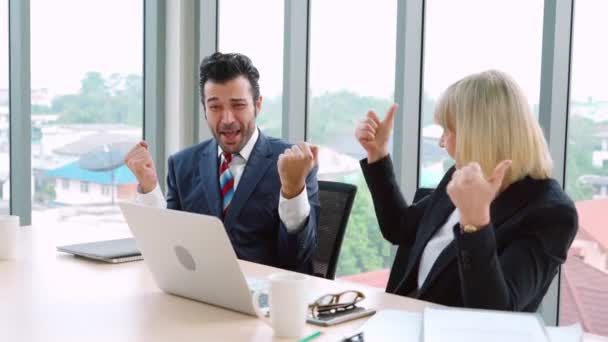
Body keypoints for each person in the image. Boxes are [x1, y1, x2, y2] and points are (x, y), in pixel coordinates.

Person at [355, 70, 578, 311]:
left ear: (477, 135)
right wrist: (377, 157)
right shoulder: (462, 176)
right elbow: (400, 227)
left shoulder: (551, 213)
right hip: (408, 322)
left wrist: (475, 223)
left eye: (447, 131)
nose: (442, 143)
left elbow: (496, 311)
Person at [124, 52, 319, 273]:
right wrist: (149, 187)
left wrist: (292, 190)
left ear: (258, 105)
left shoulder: (294, 163)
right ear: (204, 109)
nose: (227, 119)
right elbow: (170, 249)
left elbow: (299, 261)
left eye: (238, 105)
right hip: (200, 295)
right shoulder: (182, 164)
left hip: (266, 298)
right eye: (215, 107)